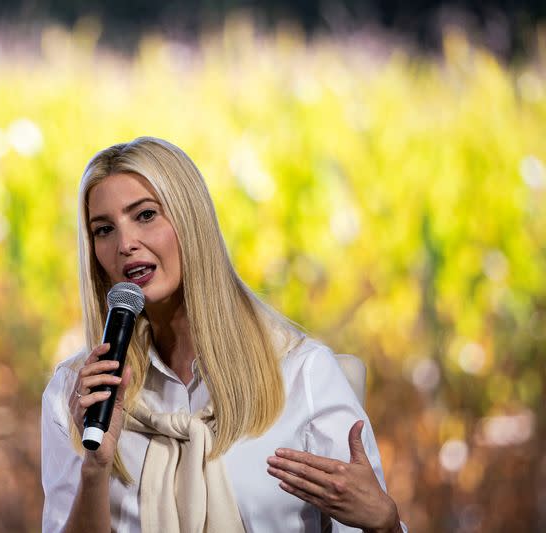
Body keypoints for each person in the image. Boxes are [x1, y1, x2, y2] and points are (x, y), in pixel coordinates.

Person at [41, 137, 406, 532]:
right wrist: (95, 468)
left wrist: (384, 524)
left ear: (191, 220)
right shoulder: (79, 396)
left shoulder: (302, 374)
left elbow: (369, 520)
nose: (125, 244)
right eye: (104, 229)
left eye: (145, 215)